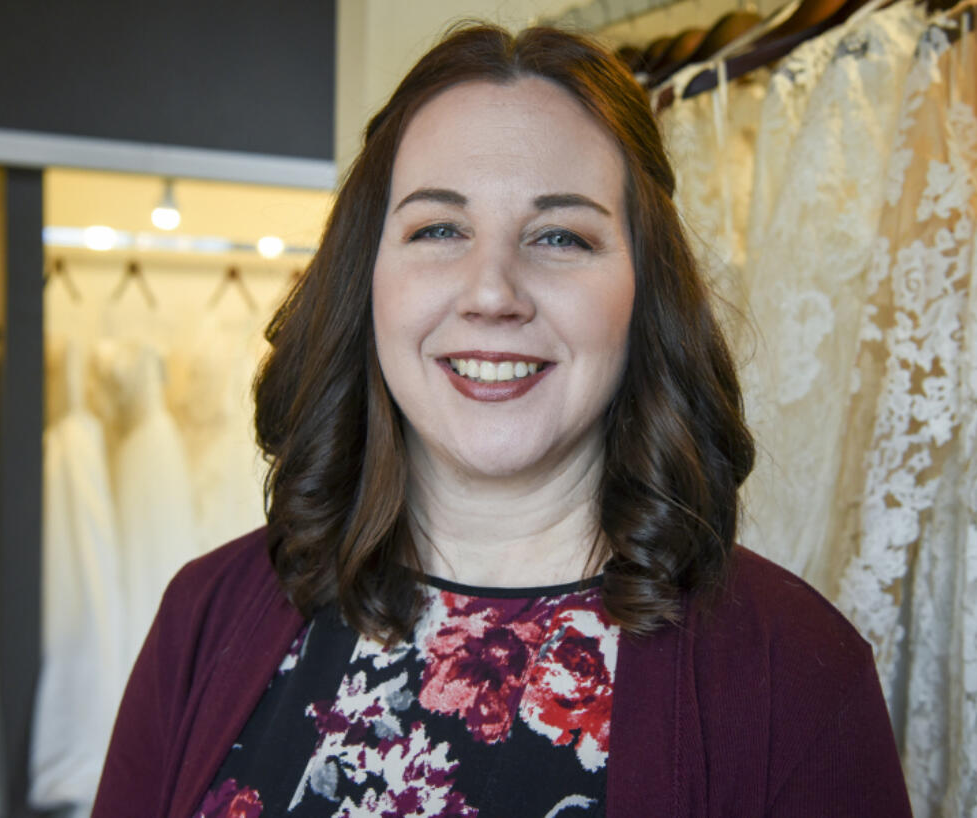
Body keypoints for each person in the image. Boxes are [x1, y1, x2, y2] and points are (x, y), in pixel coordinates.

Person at [93, 23, 911, 818]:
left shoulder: (798, 675)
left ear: (645, 295)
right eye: (439, 229)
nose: (492, 293)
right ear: (366, 280)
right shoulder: (205, 615)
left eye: (560, 236)